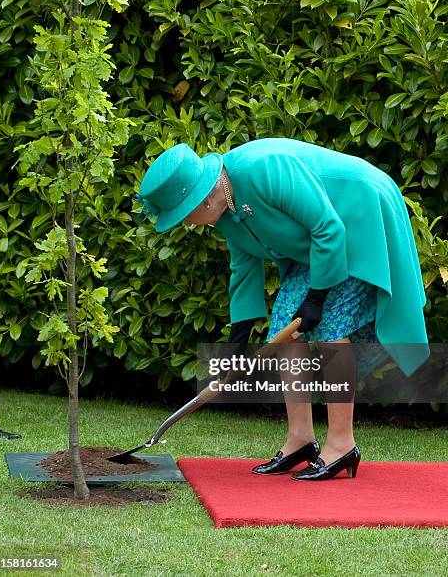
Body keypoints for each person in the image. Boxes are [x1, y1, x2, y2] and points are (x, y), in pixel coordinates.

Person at [136, 138, 429, 481]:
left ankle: (342, 445)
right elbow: (243, 269)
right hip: (321, 242)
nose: (186, 223)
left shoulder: (264, 167)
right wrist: (237, 343)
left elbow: (327, 226)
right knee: (285, 326)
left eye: (183, 215)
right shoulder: (225, 212)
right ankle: (301, 439)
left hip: (361, 216)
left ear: (201, 196)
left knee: (330, 326)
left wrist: (317, 298)